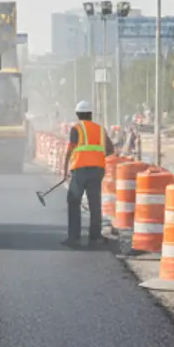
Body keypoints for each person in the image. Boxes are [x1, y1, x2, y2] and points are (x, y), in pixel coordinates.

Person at [63, 99, 114, 248]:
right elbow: (110, 149)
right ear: (91, 114)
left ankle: (74, 237)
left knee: (74, 201)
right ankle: (95, 236)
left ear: (78, 114)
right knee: (94, 203)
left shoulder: (76, 129)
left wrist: (64, 170)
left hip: (80, 170)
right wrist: (97, 157)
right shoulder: (100, 129)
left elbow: (69, 150)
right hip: (97, 170)